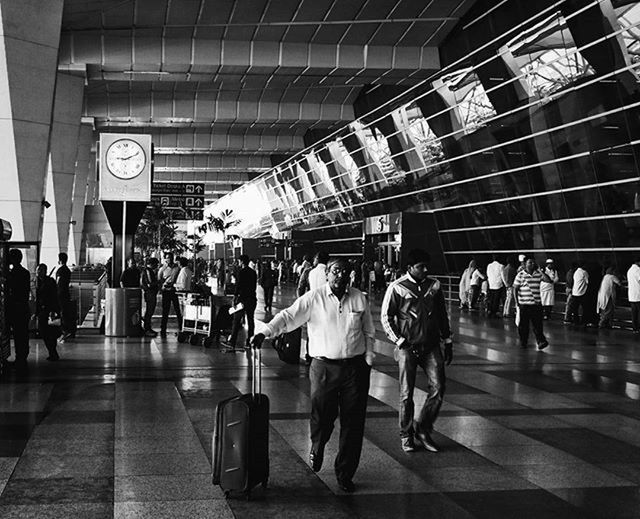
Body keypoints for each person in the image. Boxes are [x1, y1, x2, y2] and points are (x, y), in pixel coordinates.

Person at [251, 258, 375, 493]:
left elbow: (368, 330)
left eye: (345, 271)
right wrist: (265, 332)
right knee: (322, 415)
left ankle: (345, 473)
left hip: (355, 369)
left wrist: (369, 357)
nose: (340, 275)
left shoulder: (358, 297)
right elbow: (288, 317)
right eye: (336, 271)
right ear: (327, 274)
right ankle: (317, 447)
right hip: (323, 367)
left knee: (353, 421)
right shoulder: (314, 298)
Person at [380, 249, 453, 454]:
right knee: (406, 393)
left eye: (426, 266)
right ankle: (406, 434)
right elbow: (386, 317)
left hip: (431, 346)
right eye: (421, 266)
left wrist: (447, 340)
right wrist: (400, 341)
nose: (425, 269)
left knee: (438, 387)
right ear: (410, 268)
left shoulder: (434, 286)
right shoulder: (397, 287)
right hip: (408, 347)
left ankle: (423, 428)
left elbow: (441, 314)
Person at [513, 256, 551, 350]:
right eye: (530, 262)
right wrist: (516, 302)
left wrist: (541, 270)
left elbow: (548, 280)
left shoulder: (538, 274)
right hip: (524, 304)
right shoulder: (520, 275)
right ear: (525, 264)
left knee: (538, 324)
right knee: (523, 325)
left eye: (533, 262)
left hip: (536, 304)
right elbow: (515, 288)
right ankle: (523, 342)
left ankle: (541, 341)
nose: (532, 264)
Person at [6, 248, 31, 372]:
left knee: (17, 334)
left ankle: (19, 358)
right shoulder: (25, 272)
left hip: (15, 309)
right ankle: (22, 357)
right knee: (22, 334)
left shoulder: (11, 273)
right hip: (23, 308)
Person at [228, 254, 257, 349]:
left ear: (242, 262)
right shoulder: (253, 272)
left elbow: (238, 286)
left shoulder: (241, 272)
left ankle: (232, 341)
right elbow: (254, 286)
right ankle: (250, 341)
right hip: (252, 298)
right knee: (250, 320)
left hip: (243, 299)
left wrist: (234, 297)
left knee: (236, 320)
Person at [35, 263, 61, 361]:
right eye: (37, 270)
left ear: (45, 271)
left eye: (40, 270)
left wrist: (54, 311)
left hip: (49, 310)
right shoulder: (37, 282)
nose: (38, 272)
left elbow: (54, 297)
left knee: (49, 332)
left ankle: (53, 352)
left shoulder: (50, 282)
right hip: (42, 310)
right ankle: (52, 352)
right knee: (44, 332)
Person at [157, 252, 181, 338]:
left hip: (174, 291)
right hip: (166, 291)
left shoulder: (177, 268)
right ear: (165, 259)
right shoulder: (162, 269)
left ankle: (181, 327)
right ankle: (163, 328)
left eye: (170, 257)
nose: (169, 259)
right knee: (165, 311)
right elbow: (159, 279)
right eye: (167, 258)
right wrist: (162, 287)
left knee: (177, 309)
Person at [55, 252, 75, 341]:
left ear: (60, 260)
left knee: (62, 313)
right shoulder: (67, 270)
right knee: (66, 313)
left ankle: (64, 332)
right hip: (66, 293)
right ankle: (68, 331)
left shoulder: (60, 271)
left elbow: (58, 283)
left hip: (60, 294)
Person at [141, 257, 159, 337]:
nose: (157, 266)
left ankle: (148, 328)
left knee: (150, 311)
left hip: (150, 293)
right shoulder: (148, 271)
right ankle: (147, 329)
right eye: (156, 264)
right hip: (150, 293)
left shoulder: (149, 271)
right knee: (149, 311)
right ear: (152, 264)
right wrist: (159, 282)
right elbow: (149, 283)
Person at [626, 259, 640, 333]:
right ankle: (638, 328)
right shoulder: (638, 270)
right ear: (638, 262)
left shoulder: (629, 270)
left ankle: (635, 328)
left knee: (634, 313)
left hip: (632, 295)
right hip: (638, 295)